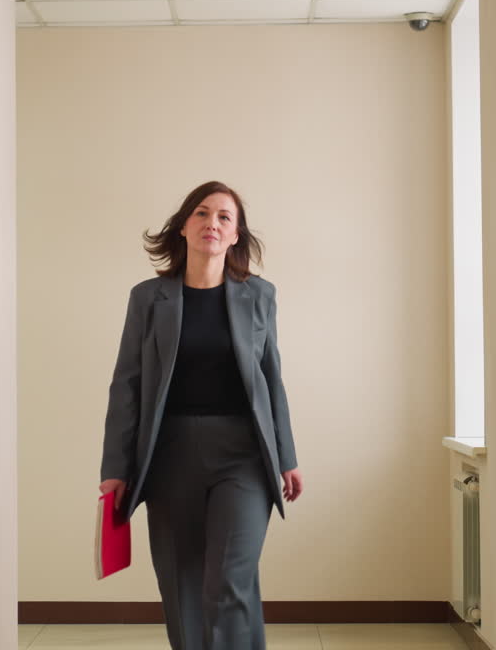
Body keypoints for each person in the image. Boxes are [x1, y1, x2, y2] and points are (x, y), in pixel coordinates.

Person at [99, 180, 303, 650]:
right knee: (181, 585)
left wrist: (286, 456)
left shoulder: (260, 296)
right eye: (202, 213)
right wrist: (116, 469)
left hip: (244, 456)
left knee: (229, 581)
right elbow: (126, 384)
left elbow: (272, 380)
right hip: (170, 455)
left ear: (235, 235)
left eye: (224, 217)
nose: (212, 223)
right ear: (183, 227)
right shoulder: (149, 298)